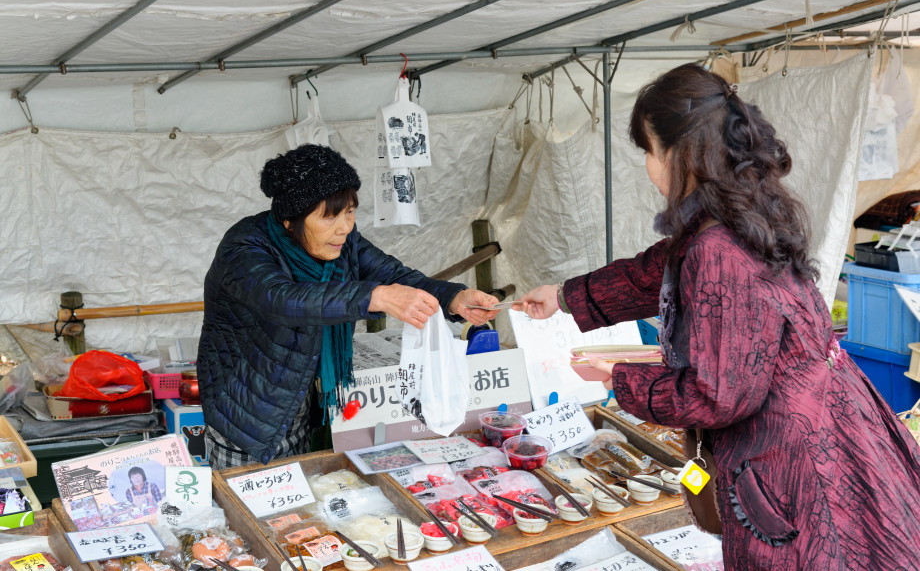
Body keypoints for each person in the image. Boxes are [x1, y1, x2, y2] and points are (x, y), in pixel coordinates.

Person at [515, 64, 920, 569]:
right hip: (831, 426)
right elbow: (659, 269)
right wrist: (567, 295)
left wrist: (619, 378)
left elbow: (716, 395)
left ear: (681, 153)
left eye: (649, 149)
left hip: (793, 458)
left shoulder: (717, 247)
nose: (647, 165)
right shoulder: (742, 211)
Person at [197, 144, 498, 469]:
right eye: (329, 216)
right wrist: (375, 297)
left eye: (350, 212)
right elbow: (282, 300)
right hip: (245, 416)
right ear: (290, 220)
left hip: (295, 401)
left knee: (293, 510)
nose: (344, 227)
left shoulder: (340, 241)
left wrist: (453, 297)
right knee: (250, 509)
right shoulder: (243, 248)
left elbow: (393, 275)